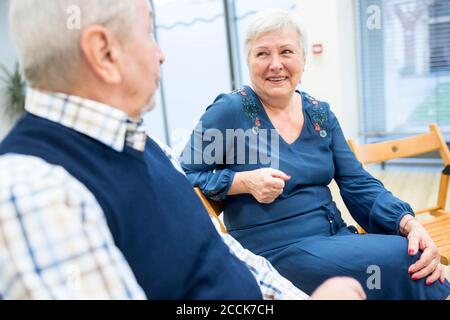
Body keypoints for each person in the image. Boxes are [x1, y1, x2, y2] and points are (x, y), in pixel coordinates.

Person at [0, 0, 364, 300]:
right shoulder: (33, 194)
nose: (161, 55)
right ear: (104, 52)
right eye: (149, 33)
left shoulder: (150, 149)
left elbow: (223, 252)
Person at [180, 8, 450, 300]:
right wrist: (242, 182)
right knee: (404, 258)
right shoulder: (230, 111)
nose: (275, 64)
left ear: (304, 59)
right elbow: (182, 175)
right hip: (274, 253)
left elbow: (357, 182)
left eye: (286, 51)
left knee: (409, 245)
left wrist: (409, 222)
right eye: (262, 54)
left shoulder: (320, 114)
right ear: (248, 60)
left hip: (333, 237)